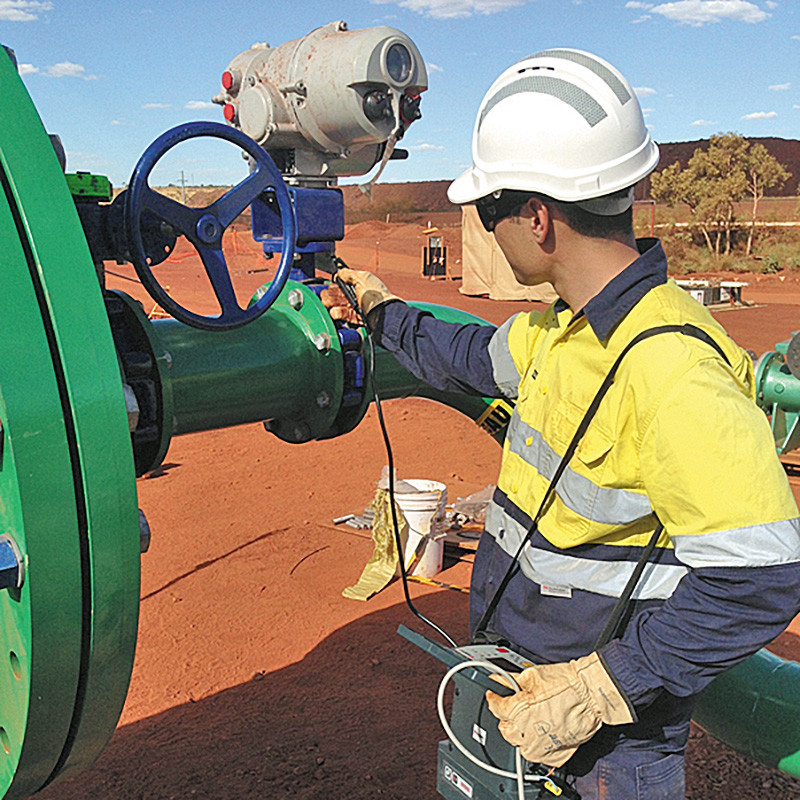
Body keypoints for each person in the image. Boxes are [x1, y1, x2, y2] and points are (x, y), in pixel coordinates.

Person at [323, 49, 800, 799]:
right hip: (521, 683)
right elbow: (470, 355)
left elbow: (760, 578)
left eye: (486, 209)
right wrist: (383, 311)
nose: (483, 226)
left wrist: (598, 690)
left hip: (609, 745)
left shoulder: (671, 369)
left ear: (537, 218)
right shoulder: (562, 333)